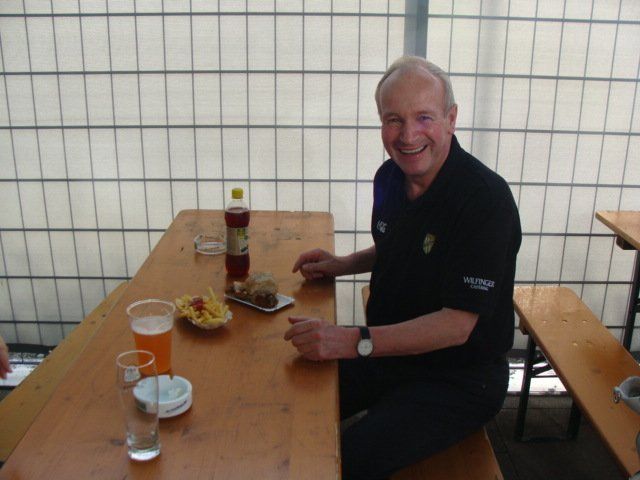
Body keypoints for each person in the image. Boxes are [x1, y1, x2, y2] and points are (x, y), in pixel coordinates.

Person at [284, 56, 521, 480]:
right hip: (390, 351)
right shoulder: (390, 177)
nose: (408, 136)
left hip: (458, 377)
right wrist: (342, 264)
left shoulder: (485, 200)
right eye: (394, 119)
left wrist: (352, 340)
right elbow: (396, 244)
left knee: (346, 461)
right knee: (292, 400)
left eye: (424, 117)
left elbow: (456, 326)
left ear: (451, 119)